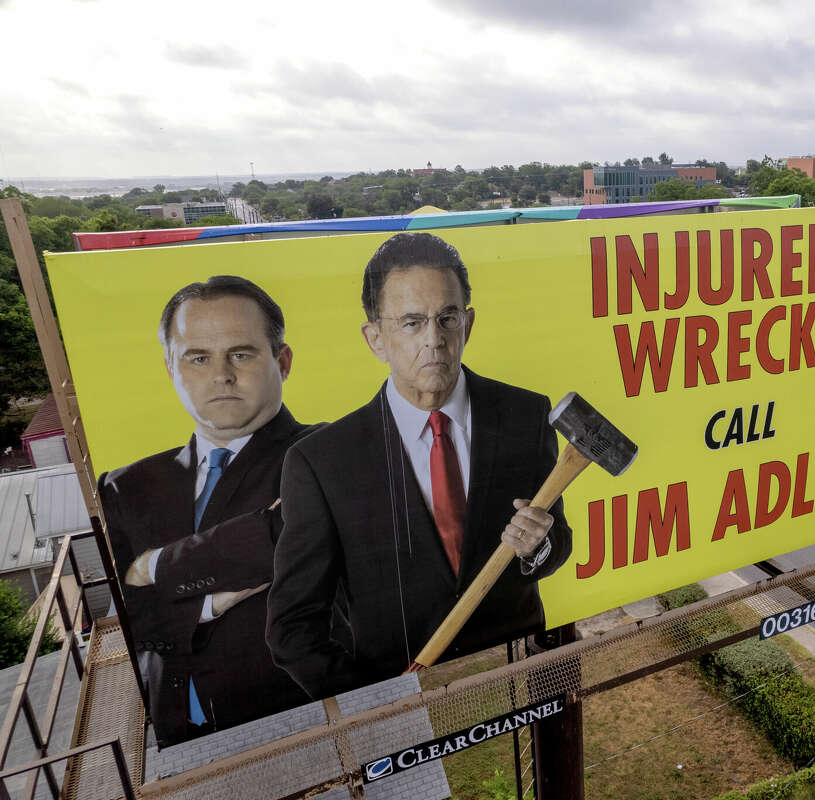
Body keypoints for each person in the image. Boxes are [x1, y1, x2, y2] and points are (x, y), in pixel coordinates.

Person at [267, 232, 572, 699]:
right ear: (376, 338)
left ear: (467, 324)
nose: (434, 340)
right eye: (411, 322)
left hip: (515, 683)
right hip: (400, 703)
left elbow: (557, 545)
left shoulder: (525, 415)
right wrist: (369, 701)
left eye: (447, 318)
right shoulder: (320, 462)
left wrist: (539, 547)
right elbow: (293, 627)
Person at [99, 276, 314, 746]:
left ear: (283, 361)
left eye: (241, 353)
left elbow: (283, 539)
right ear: (171, 368)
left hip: (305, 724)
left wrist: (151, 567)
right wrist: (210, 603)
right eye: (198, 357)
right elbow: (129, 621)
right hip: (177, 732)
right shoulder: (125, 486)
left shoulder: (330, 453)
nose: (221, 375)